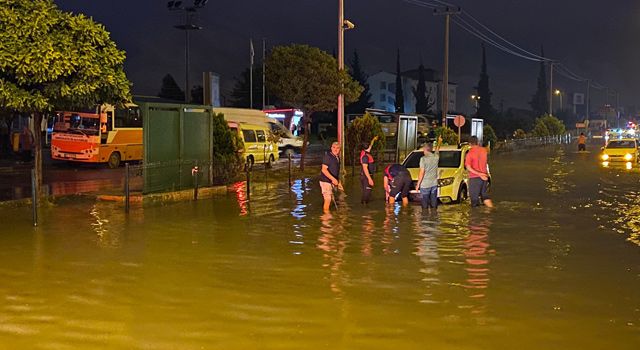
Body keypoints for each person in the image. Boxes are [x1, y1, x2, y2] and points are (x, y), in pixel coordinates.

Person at [465, 136, 493, 208]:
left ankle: (476, 218)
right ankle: (492, 210)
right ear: (477, 142)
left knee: (474, 201)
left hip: (475, 178)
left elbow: (468, 167)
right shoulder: (484, 150)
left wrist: (479, 174)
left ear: (470, 144)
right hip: (484, 177)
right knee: (484, 196)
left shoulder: (470, 153)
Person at [415, 136, 442, 211]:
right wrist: (439, 141)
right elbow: (437, 149)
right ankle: (434, 218)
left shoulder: (423, 159)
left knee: (424, 206)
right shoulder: (436, 157)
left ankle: (425, 219)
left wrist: (418, 184)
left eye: (423, 149)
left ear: (426, 149)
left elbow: (421, 172)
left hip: (425, 185)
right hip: (434, 184)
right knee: (434, 205)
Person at [319, 142, 343, 213]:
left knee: (340, 195)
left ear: (340, 149)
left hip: (333, 181)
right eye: (334, 147)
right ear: (331, 148)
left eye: (338, 148)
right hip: (325, 181)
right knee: (328, 199)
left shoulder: (337, 157)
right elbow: (324, 169)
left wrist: (338, 181)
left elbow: (335, 170)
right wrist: (333, 179)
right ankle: (326, 217)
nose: (336, 149)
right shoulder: (328, 156)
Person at [359, 136, 378, 204]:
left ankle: (364, 209)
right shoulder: (365, 156)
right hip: (366, 176)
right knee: (366, 193)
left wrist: (373, 139)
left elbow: (371, 144)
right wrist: (369, 179)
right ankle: (365, 211)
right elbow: (365, 168)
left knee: (366, 192)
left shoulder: (364, 152)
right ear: (369, 146)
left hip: (365, 176)